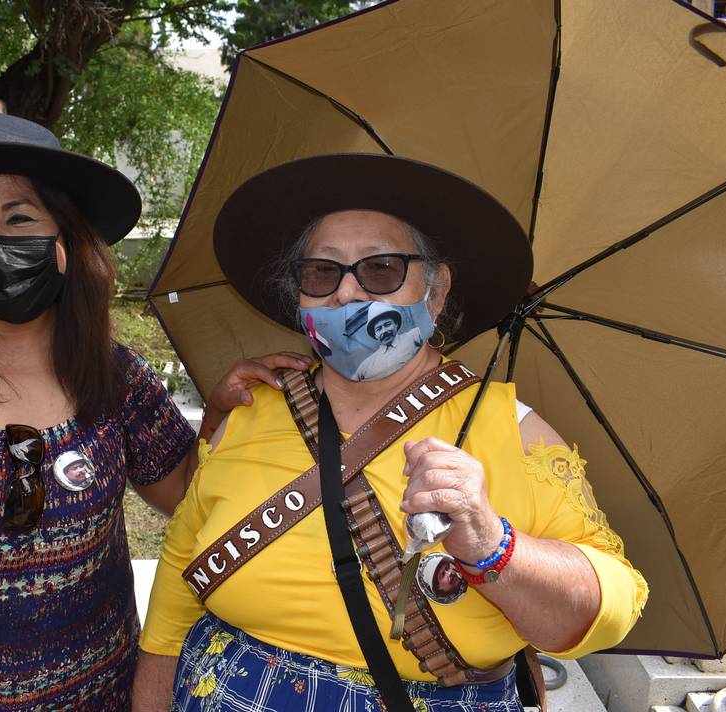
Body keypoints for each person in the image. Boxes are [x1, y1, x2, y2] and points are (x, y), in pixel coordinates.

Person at [0, 110, 305, 711]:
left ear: (66, 244)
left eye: (19, 218)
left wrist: (217, 419)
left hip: (97, 693)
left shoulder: (114, 374)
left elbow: (185, 496)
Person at [134, 154, 649, 711]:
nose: (349, 294)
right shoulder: (254, 410)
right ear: (299, 293)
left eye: (381, 269)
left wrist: (491, 545)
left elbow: (613, 606)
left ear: (436, 289)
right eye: (322, 271)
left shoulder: (511, 429)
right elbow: (176, 589)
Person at [355, 308, 423, 380]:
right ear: (375, 335)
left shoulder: (414, 336)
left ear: (396, 324)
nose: (384, 331)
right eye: (379, 329)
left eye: (387, 324)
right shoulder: (366, 365)